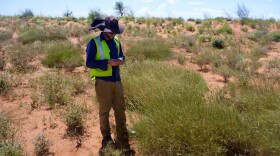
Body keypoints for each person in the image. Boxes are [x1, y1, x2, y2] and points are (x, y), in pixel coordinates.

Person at [86, 16, 134, 156]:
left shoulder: (117, 41)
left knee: (120, 109)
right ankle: (106, 138)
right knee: (104, 111)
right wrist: (106, 62)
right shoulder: (94, 43)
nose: (114, 35)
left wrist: (120, 60)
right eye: (111, 32)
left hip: (117, 80)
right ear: (105, 30)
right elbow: (89, 63)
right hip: (103, 82)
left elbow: (122, 56)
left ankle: (122, 135)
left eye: (115, 32)